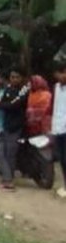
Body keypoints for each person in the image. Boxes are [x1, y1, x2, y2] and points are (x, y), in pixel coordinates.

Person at [0, 67, 30, 191]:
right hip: (5, 124)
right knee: (0, 152)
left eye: (16, 77)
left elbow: (14, 105)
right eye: (12, 77)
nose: (14, 79)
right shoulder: (8, 89)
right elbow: (4, 102)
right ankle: (7, 178)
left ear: (22, 78)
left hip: (16, 126)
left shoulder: (24, 90)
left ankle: (8, 181)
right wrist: (1, 105)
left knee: (10, 154)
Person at [51, 62, 66, 198]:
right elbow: (56, 108)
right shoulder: (56, 87)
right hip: (59, 128)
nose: (60, 77)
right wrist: (53, 127)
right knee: (62, 159)